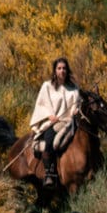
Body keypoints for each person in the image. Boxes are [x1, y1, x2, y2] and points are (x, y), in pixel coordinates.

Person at [29, 57, 80, 188]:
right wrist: (50, 115)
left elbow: (77, 103)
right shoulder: (47, 86)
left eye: (64, 68)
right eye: (59, 68)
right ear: (55, 71)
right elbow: (42, 104)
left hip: (69, 122)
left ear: (67, 70)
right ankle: (49, 173)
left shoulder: (74, 89)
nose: (62, 71)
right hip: (52, 122)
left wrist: (75, 111)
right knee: (49, 139)